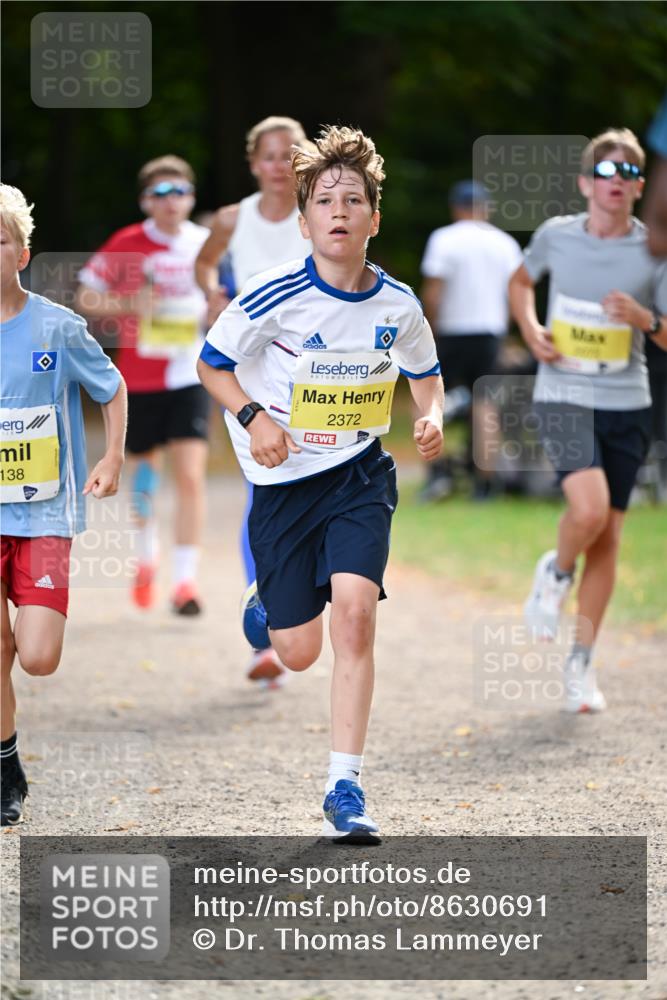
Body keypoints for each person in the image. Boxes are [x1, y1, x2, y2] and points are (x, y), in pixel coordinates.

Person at [197, 126, 443, 841]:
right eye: (324, 200)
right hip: (281, 483)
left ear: (373, 217)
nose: (339, 211)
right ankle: (266, 602)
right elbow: (212, 364)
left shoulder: (396, 305)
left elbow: (427, 379)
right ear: (303, 219)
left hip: (360, 475)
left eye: (353, 199)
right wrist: (253, 417)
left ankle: (344, 785)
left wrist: (428, 418)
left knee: (356, 616)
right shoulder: (272, 296)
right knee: (296, 651)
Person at [509, 127, 667, 713]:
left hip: (628, 404)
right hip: (564, 394)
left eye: (630, 174)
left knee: (612, 539)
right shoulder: (556, 237)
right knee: (590, 510)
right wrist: (530, 329)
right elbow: (521, 283)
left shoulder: (654, 250)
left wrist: (644, 319)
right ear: (585, 183)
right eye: (607, 172)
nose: (618, 182)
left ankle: (580, 664)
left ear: (641, 187)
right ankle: (556, 570)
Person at [1, 184, 127, 825]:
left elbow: (111, 386)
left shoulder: (56, 325)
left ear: (21, 254)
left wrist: (110, 457)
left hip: (44, 512)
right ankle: (4, 768)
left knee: (37, 656)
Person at [195, 116, 312, 684]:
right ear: (252, 162)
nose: (278, 164)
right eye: (268, 155)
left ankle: (298, 608)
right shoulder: (230, 218)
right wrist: (213, 294)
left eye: (290, 153)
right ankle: (265, 624)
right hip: (246, 370)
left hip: (313, 369)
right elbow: (204, 263)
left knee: (313, 479)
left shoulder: (321, 211)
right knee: (262, 485)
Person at [77, 156, 210, 616]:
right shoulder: (127, 242)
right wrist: (128, 302)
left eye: (179, 192)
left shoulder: (207, 243)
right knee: (146, 477)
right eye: (160, 193)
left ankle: (186, 582)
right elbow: (85, 296)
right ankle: (146, 556)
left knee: (191, 476)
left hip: (191, 374)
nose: (170, 201)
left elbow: (230, 295)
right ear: (145, 202)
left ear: (191, 197)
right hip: (140, 379)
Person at [419, 180, 522, 500]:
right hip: (489, 332)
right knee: (485, 404)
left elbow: (434, 292)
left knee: (430, 398)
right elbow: (515, 295)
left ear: (456, 208)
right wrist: (508, 334)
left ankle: (437, 473)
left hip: (451, 330)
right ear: (485, 207)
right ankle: (484, 484)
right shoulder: (505, 243)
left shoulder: (444, 239)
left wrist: (427, 331)